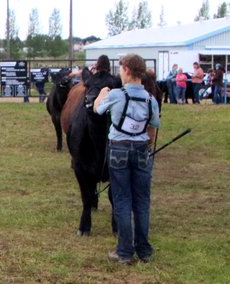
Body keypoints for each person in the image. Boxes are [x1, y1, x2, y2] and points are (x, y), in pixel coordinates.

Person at [92, 53, 161, 265]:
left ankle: (124, 251)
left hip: (119, 149)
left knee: (122, 200)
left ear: (127, 70)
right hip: (142, 150)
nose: (119, 73)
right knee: (141, 200)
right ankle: (144, 250)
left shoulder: (116, 94)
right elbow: (153, 127)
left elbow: (97, 110)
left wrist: (101, 93)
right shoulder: (151, 99)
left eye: (120, 69)